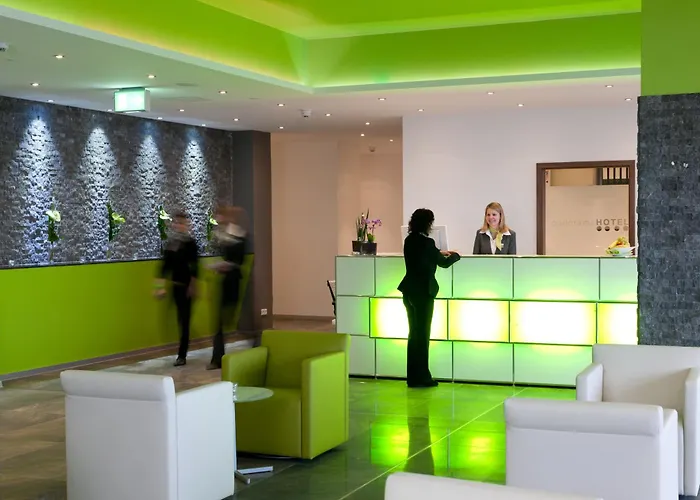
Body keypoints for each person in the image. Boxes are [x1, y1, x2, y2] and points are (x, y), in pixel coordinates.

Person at [398, 208, 461, 388]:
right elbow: (444, 263)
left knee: (413, 335)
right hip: (424, 293)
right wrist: (456, 256)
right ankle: (423, 377)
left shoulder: (409, 240)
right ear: (428, 224)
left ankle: (412, 377)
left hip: (409, 290)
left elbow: (424, 257)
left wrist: (438, 252)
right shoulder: (428, 243)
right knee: (423, 336)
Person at [154, 211, 199, 367]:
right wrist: (159, 288)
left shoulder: (191, 244)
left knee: (184, 321)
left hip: (186, 288)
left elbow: (195, 267)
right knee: (178, 320)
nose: (179, 226)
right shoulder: (171, 244)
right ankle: (180, 351)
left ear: (186, 225)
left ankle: (182, 355)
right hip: (175, 287)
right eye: (176, 223)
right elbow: (164, 268)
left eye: (181, 223)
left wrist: (193, 286)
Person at [207, 206, 248, 370]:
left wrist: (223, 266)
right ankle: (217, 358)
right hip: (225, 282)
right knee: (220, 323)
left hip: (234, 282)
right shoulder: (223, 235)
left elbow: (238, 261)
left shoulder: (239, 235)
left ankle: (256, 348)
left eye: (219, 216)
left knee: (234, 321)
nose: (217, 219)